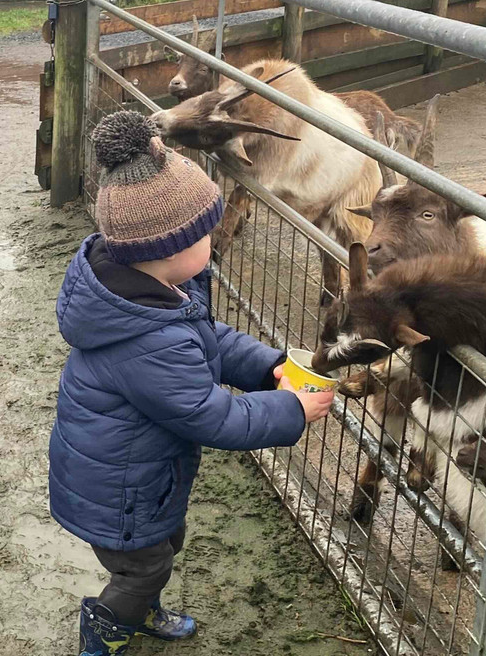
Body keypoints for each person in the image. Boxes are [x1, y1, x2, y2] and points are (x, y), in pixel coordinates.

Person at [48, 112, 333, 655]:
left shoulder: (150, 293)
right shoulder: (147, 338)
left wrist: (266, 366)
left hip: (139, 473)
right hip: (120, 490)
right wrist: (292, 410)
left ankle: (140, 609)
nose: (214, 239)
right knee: (144, 567)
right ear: (171, 247)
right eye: (206, 232)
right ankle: (104, 629)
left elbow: (206, 339)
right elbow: (211, 416)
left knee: (163, 545)